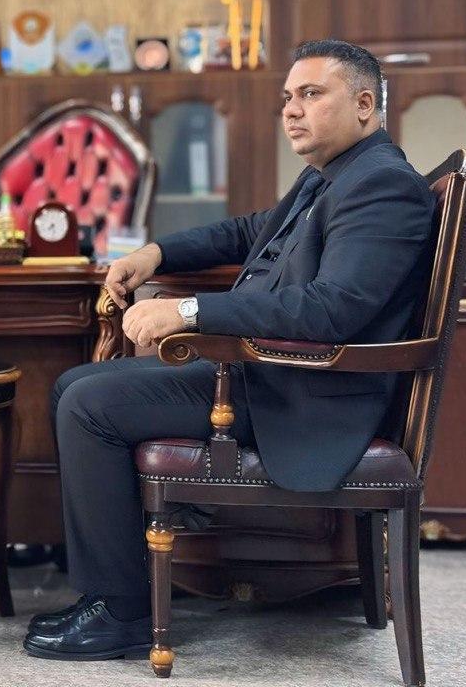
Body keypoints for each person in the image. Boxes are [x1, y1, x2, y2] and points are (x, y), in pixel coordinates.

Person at [25, 40, 437, 662]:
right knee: (73, 385)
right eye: (288, 97)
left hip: (304, 395)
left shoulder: (383, 185)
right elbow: (248, 232)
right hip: (269, 375)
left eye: (311, 94)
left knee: (89, 404)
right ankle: (122, 578)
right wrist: (156, 253)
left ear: (363, 104)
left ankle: (121, 611)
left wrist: (188, 311)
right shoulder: (333, 175)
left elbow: (333, 309)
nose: (291, 110)